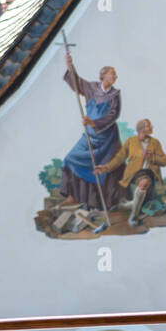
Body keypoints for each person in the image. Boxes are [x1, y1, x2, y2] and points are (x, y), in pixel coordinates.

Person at [60, 52, 123, 211]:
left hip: (107, 139)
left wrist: (93, 122)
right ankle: (72, 196)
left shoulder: (115, 95)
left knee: (100, 169)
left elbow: (113, 115)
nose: (114, 77)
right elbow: (77, 83)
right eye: (112, 74)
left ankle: (97, 203)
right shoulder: (91, 88)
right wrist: (70, 66)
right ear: (103, 76)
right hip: (90, 136)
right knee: (71, 159)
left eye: (115, 75)